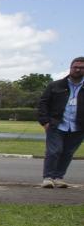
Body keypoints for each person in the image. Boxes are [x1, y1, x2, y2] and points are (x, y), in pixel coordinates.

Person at [37, 56, 84, 188]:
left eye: (81, 68)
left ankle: (58, 177)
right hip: (56, 124)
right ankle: (47, 177)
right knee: (54, 151)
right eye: (75, 67)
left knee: (68, 153)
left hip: (78, 127)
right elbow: (43, 103)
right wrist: (45, 121)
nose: (78, 70)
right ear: (70, 68)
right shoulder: (55, 85)